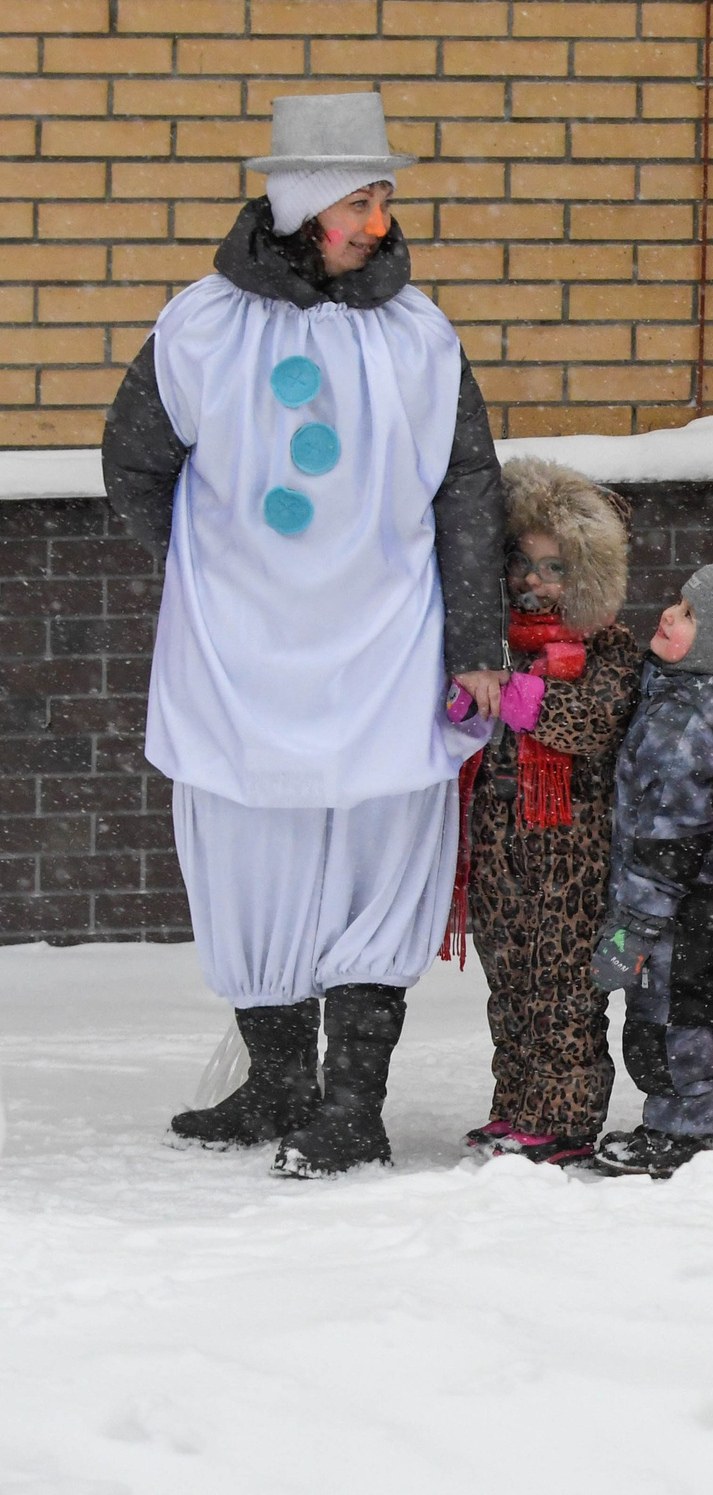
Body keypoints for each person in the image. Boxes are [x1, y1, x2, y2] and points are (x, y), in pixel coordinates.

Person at [102, 91, 506, 1176]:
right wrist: (216, 578)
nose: (378, 223)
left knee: (374, 850)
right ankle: (278, 1083)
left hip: (383, 648)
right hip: (238, 657)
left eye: (381, 201)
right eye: (358, 202)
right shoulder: (199, 327)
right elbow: (137, 466)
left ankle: (354, 1105)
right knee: (250, 852)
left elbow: (469, 490)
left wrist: (474, 637)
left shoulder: (419, 335)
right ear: (301, 207)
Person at [460, 458, 643, 1167]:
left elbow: (592, 723)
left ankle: (565, 1117)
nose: (534, 581)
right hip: (501, 836)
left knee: (562, 985)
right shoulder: (495, 643)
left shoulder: (607, 649)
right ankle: (516, 1103)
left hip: (572, 844)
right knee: (509, 978)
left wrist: (514, 696)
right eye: (523, 563)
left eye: (554, 568)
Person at [588, 562, 713, 1178]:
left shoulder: (686, 724)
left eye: (690, 614)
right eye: (677, 601)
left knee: (667, 1019)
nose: (670, 614)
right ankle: (677, 1120)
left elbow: (664, 842)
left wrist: (631, 931)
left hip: (682, 906)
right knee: (691, 1012)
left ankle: (682, 1133)